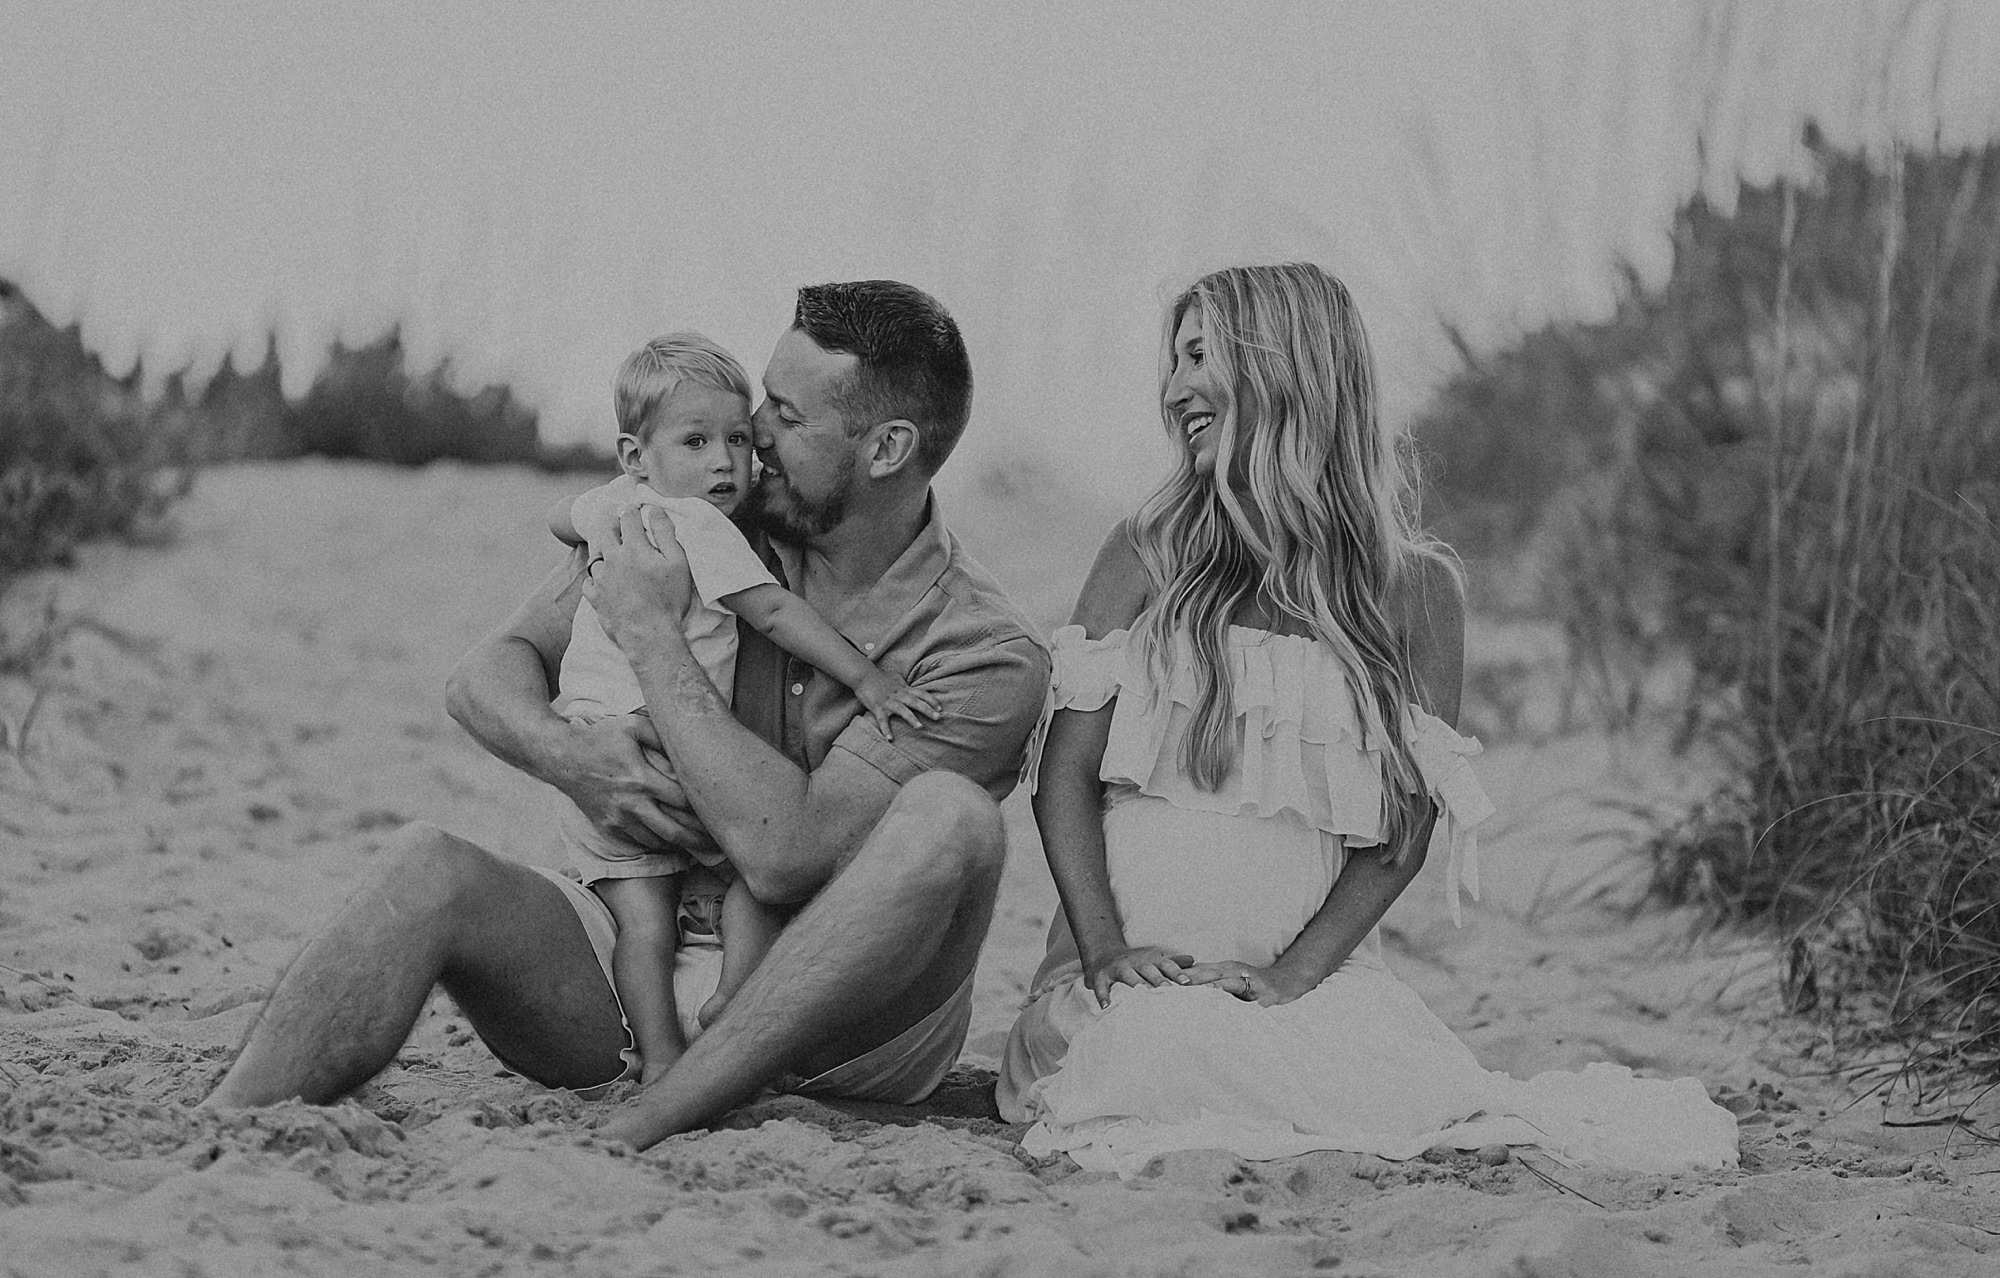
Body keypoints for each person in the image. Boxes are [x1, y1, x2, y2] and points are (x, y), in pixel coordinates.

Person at [204, 280, 1050, 1151]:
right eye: (763, 402)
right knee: (426, 867)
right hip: (641, 970)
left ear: (887, 449)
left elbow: (785, 857)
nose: (754, 433)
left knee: (953, 819)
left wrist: (653, 636)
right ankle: (222, 1126)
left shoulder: (987, 651)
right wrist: (573, 759)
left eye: (789, 418)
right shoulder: (703, 510)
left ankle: (665, 1110)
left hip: (843, 1034)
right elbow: (485, 677)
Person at [996, 262, 1737, 1175]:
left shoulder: (1416, 590)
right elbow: (1063, 776)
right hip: (1122, 986)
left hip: (1312, 983)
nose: (1176, 386)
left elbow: (1402, 828)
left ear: (1286, 369)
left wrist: (1292, 979)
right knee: (1160, 1058)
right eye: (1175, 360)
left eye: (1201, 356)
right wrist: (1106, 952)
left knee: (1390, 1087)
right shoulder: (1149, 549)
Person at [543, 331, 943, 1084]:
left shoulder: (621, 503)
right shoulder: (701, 526)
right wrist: (866, 679)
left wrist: (592, 525)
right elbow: (777, 614)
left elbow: (560, 518)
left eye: (737, 438)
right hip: (662, 739)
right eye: (695, 442)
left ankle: (660, 1055)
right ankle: (732, 1001)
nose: (726, 462)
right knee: (756, 878)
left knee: (644, 920)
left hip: (597, 738)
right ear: (638, 453)